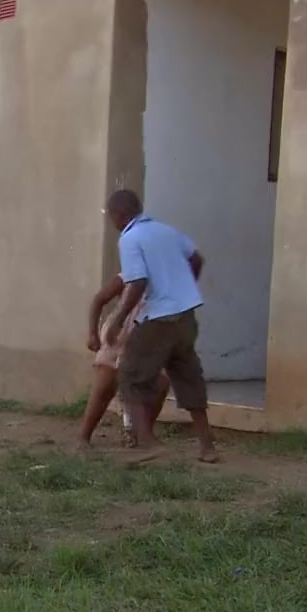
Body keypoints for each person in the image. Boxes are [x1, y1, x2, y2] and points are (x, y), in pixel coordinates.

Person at [103, 189, 220, 463]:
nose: (113, 223)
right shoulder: (167, 231)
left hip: (158, 319)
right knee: (189, 376)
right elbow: (197, 259)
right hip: (186, 317)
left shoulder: (130, 238)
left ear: (121, 216)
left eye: (112, 217)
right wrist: (183, 288)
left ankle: (147, 443)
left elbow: (138, 283)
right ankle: (207, 447)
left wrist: (118, 319)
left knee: (130, 376)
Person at [81, 273, 171, 449]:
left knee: (160, 385)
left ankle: (141, 434)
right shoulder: (128, 276)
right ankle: (83, 436)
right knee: (104, 386)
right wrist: (92, 333)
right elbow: (99, 300)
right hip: (117, 338)